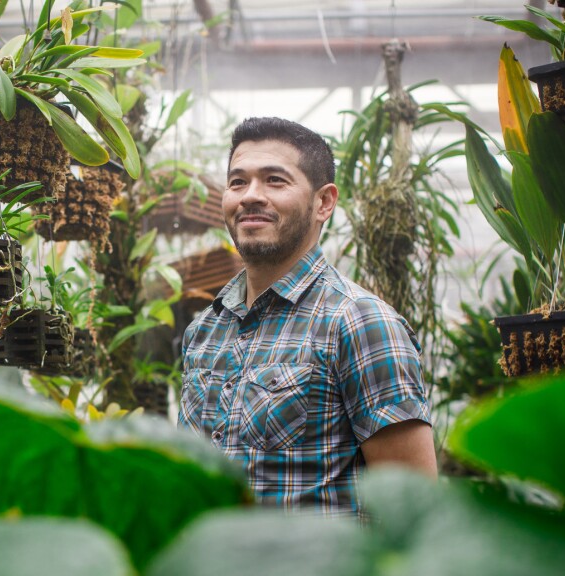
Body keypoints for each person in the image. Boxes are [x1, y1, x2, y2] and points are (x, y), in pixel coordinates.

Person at [178, 116, 437, 513]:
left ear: (323, 202)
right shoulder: (204, 330)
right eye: (237, 181)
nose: (250, 195)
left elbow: (415, 512)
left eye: (275, 180)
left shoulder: (360, 323)